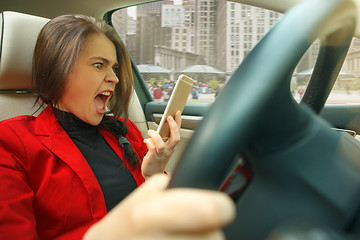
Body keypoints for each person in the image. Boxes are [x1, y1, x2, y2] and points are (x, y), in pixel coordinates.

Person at [0, 15, 235, 239]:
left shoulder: (126, 131)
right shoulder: (11, 143)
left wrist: (154, 173)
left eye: (113, 67)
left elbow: (158, 212)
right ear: (59, 69)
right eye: (99, 65)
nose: (115, 78)